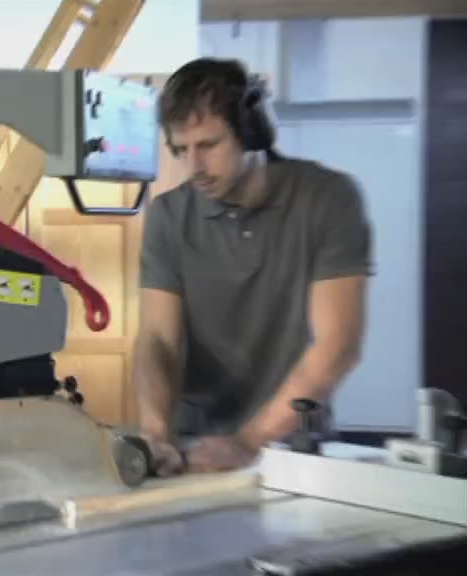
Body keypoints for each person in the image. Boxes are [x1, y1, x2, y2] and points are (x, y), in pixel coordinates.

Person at [133, 57, 372, 475]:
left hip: (292, 440)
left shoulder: (329, 199)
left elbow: (339, 343)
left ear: (252, 132)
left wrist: (249, 441)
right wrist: (156, 434)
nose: (194, 168)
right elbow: (158, 340)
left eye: (209, 145)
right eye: (181, 150)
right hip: (196, 442)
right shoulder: (168, 216)